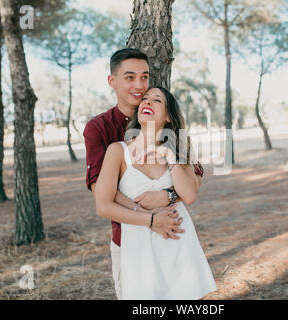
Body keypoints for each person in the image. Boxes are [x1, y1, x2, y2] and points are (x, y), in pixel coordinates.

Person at [83, 48, 205, 299]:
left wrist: (168, 196)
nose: (139, 86)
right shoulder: (101, 130)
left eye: (145, 77)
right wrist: (149, 216)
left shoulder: (172, 137)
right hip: (129, 236)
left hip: (175, 235)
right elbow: (100, 191)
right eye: (129, 77)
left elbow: (195, 175)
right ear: (112, 81)